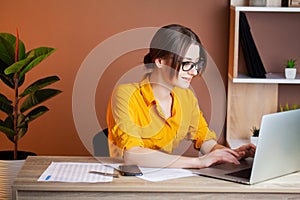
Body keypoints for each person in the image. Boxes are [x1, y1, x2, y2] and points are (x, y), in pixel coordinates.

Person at [106, 24, 255, 168]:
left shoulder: (186, 97)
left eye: (196, 64)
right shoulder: (125, 95)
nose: (194, 72)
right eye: (187, 64)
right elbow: (133, 155)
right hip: (127, 182)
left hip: (166, 181)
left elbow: (204, 140)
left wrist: (229, 154)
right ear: (160, 61)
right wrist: (198, 162)